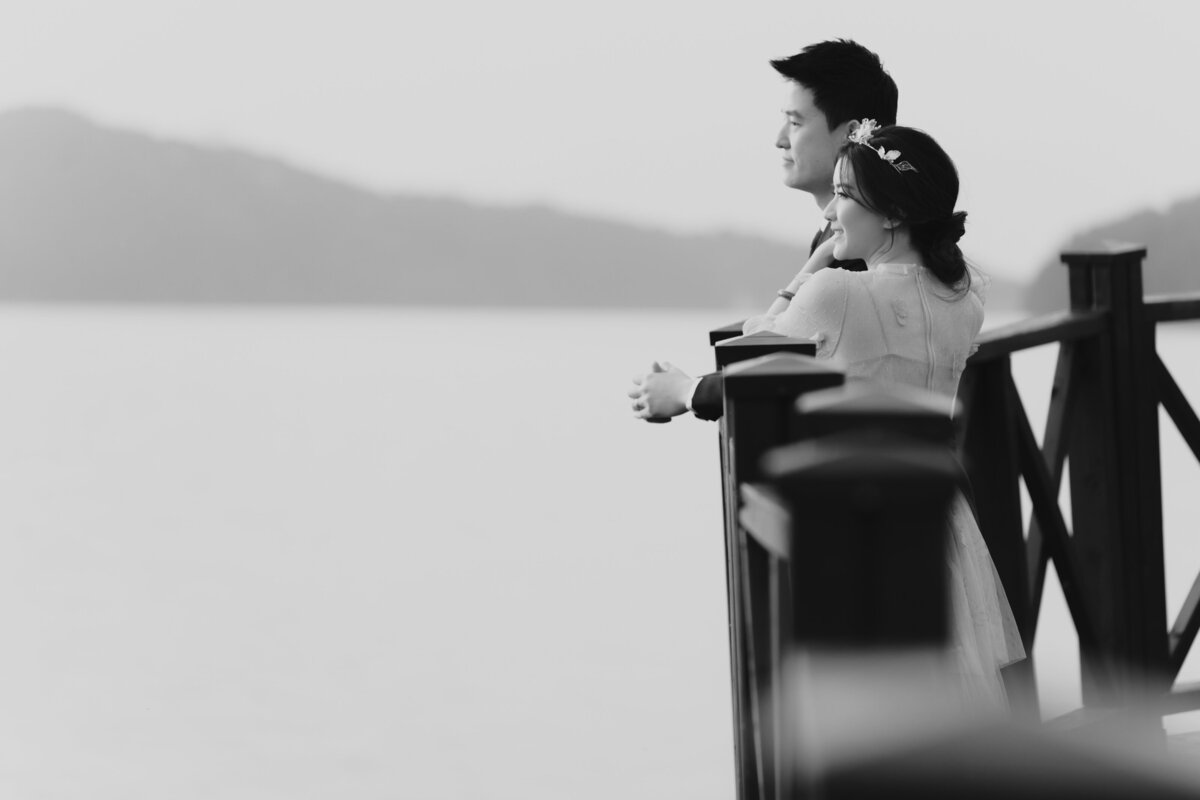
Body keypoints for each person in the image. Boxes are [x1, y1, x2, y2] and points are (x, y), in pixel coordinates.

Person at [747, 121, 1025, 706]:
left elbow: (756, 350)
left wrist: (813, 266)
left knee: (871, 711)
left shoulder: (835, 294)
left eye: (845, 195)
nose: (831, 212)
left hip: (858, 528)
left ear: (894, 213)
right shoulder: (965, 299)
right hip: (943, 525)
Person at [629, 39, 898, 422]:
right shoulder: (842, 234)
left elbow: (781, 361)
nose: (779, 139)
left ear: (850, 133)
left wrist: (688, 392)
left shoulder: (859, 248)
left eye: (795, 122)